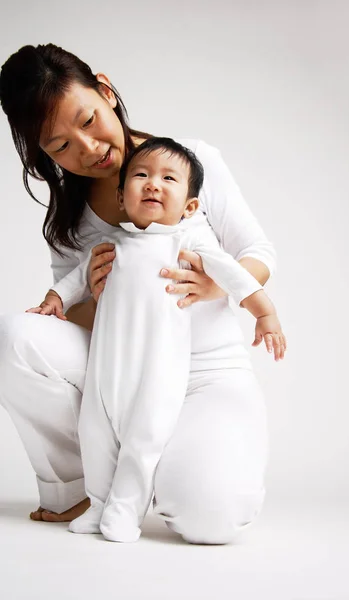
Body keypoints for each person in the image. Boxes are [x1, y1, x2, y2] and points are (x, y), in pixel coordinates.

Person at [0, 43, 285, 544]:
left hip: (203, 374)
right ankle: (81, 486)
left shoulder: (190, 162)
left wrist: (217, 281)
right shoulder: (68, 222)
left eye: (89, 121)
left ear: (106, 91)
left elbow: (257, 249)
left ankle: (179, 465)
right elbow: (79, 323)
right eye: (60, 146)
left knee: (208, 518)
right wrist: (90, 293)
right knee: (14, 337)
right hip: (120, 374)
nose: (86, 149)